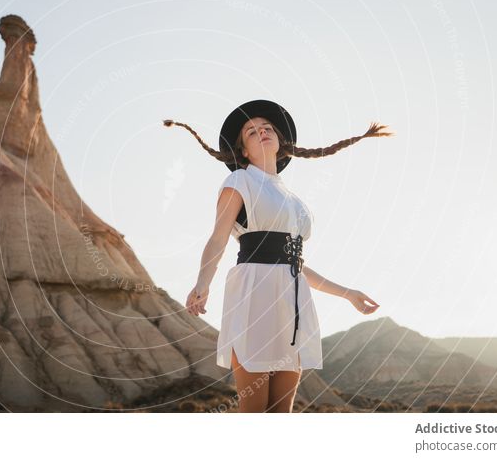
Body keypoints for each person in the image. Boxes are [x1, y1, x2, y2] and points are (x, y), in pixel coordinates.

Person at [163, 99, 393, 412]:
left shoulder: (295, 200)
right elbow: (218, 238)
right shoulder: (239, 181)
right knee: (255, 411)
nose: (261, 132)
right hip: (254, 294)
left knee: (281, 412)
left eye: (267, 128)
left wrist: (347, 294)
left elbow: (296, 266)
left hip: (293, 302)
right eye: (251, 132)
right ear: (243, 150)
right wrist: (202, 283)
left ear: (279, 140)